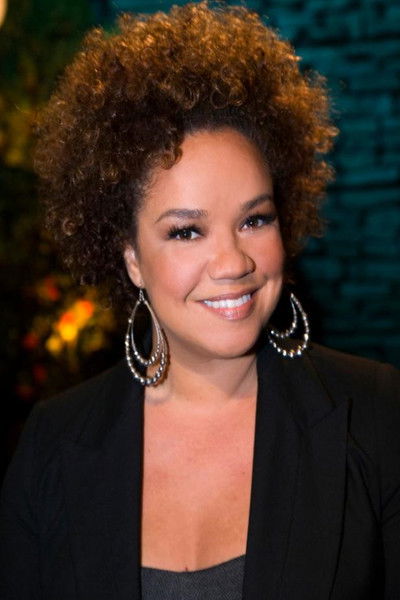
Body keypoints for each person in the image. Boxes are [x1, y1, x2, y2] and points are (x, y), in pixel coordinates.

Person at [1, 2, 399, 598]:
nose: (234, 263)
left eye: (255, 220)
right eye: (187, 231)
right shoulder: (53, 444)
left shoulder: (375, 415)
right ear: (132, 259)